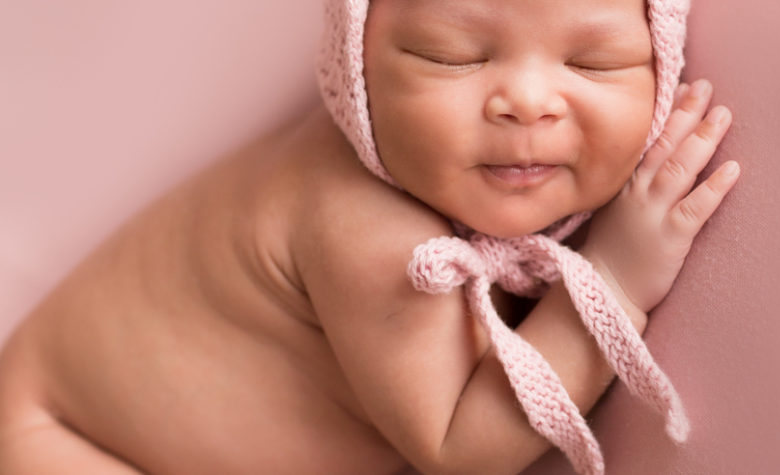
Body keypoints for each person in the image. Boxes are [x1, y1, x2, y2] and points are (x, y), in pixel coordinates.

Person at [0, 0, 740, 473]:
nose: (528, 102)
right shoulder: (369, 229)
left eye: (593, 62)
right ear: (356, 71)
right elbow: (461, 444)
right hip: (55, 436)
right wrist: (611, 277)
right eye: (452, 56)